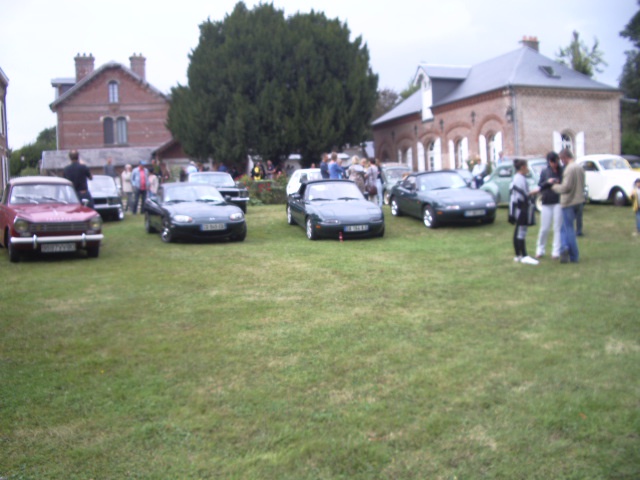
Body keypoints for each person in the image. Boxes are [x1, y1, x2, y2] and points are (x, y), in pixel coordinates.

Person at [551, 148, 586, 264]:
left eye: (562, 159)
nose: (561, 162)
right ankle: (564, 248)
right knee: (564, 228)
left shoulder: (569, 169)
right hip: (579, 201)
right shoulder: (579, 167)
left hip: (569, 202)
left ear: (565, 157)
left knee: (568, 228)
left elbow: (566, 187)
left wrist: (554, 186)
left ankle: (573, 255)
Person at [509, 158, 540, 265]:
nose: (527, 169)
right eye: (526, 166)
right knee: (521, 231)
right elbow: (524, 194)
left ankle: (518, 255)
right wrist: (535, 191)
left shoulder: (517, 178)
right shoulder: (520, 178)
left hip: (517, 207)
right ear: (522, 167)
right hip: (521, 208)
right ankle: (524, 255)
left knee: (518, 230)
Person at [535, 152, 563, 260]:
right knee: (544, 228)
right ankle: (540, 249)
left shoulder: (562, 171)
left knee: (557, 227)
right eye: (552, 162)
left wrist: (558, 181)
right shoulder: (545, 172)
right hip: (546, 201)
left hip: (558, 201)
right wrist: (548, 182)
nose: (554, 164)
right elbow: (540, 186)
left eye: (556, 161)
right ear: (549, 162)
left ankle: (556, 251)